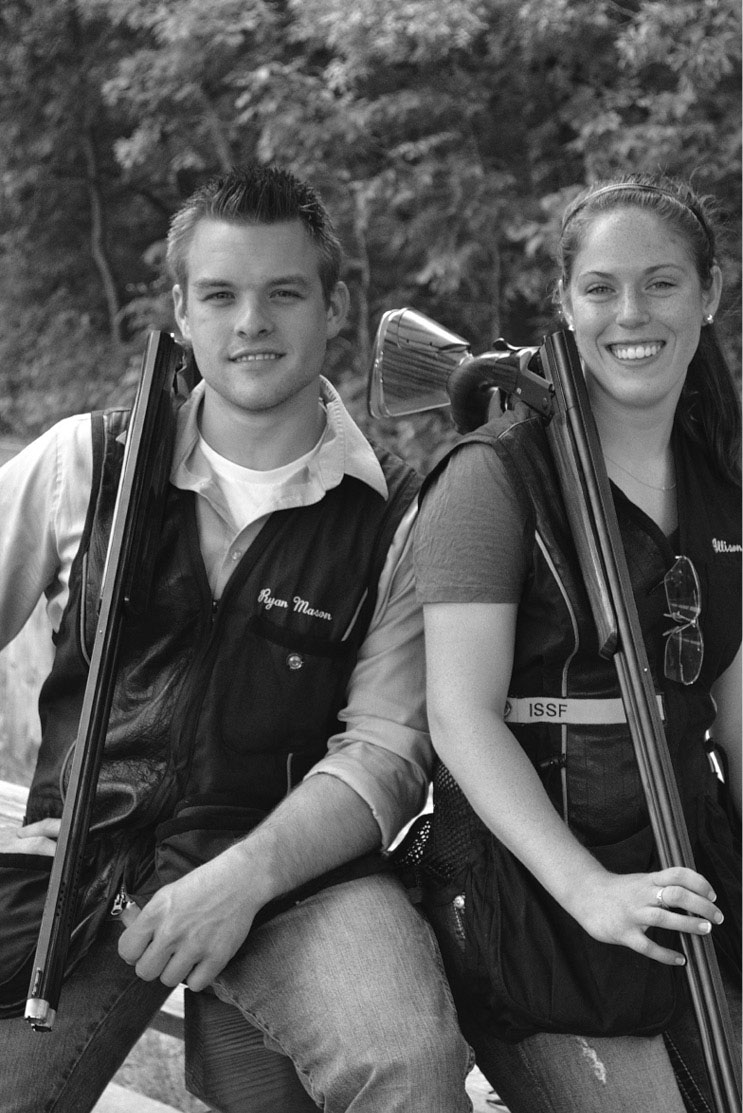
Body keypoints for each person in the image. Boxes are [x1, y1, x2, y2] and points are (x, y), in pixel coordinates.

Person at [0, 164, 472, 1113]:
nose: (250, 321)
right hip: (88, 865)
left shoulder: (404, 514)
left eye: (283, 292)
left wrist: (242, 879)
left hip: (302, 877)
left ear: (335, 307)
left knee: (408, 1063)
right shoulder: (87, 461)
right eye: (220, 294)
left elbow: (384, 754)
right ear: (179, 309)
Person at [410, 174, 741, 1113]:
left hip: (685, 869)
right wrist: (589, 888)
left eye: (662, 283)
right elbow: (459, 715)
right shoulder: (492, 478)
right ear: (563, 303)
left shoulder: (721, 481)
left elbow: (733, 711)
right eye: (600, 287)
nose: (629, 312)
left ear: (710, 293)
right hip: (532, 893)